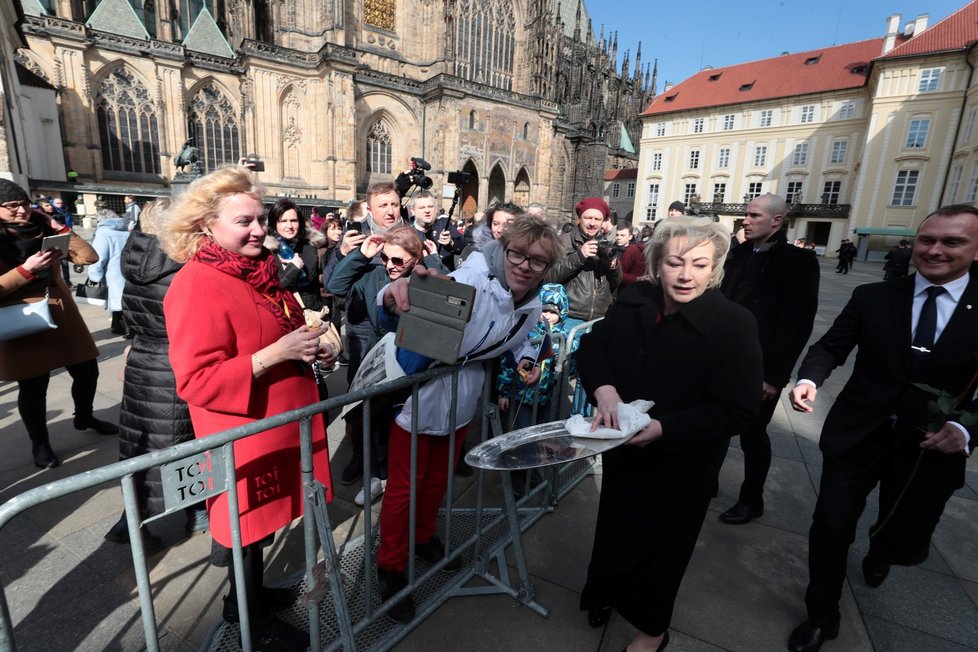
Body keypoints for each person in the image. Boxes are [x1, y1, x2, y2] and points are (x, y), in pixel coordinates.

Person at [786, 204, 978, 652]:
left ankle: (882, 550)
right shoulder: (875, 296)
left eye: (953, 242)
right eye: (928, 240)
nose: (935, 250)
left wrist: (967, 430)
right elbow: (831, 346)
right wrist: (809, 379)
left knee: (902, 535)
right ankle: (822, 615)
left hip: (930, 445)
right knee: (831, 525)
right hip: (860, 433)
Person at [161, 166, 336, 649]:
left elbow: (289, 329)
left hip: (279, 427)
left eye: (261, 218)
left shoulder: (261, 272)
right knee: (244, 527)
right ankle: (247, 619)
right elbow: (195, 381)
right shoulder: (195, 284)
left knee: (259, 528)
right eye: (245, 222)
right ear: (206, 227)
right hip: (242, 433)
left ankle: (248, 598)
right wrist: (273, 356)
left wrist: (316, 348)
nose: (260, 229)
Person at [578, 217, 762, 652]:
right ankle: (604, 593)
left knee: (663, 549)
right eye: (676, 263)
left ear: (714, 268)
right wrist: (602, 388)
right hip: (624, 448)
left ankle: (652, 631)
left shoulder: (734, 323)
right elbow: (594, 347)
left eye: (699, 265)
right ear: (657, 264)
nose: (685, 275)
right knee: (614, 530)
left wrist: (665, 428)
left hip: (683, 461)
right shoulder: (635, 299)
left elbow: (738, 409)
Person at [374, 214, 560, 623]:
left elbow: (525, 335)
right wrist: (397, 289)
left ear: (548, 267)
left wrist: (528, 357)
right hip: (418, 397)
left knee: (439, 478)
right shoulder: (473, 279)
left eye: (538, 261)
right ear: (503, 248)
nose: (525, 266)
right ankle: (389, 564)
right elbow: (410, 302)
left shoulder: (528, 299)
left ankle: (422, 537)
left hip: (462, 398)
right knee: (405, 487)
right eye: (517, 253)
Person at [105, 199, 208, 546]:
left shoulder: (134, 260)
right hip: (175, 362)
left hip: (143, 362)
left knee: (141, 441)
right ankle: (194, 514)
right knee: (183, 441)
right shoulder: (183, 264)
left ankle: (130, 519)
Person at [0, 178, 117, 469]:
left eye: (24, 204)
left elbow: (89, 256)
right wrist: (26, 270)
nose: (20, 211)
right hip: (23, 320)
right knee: (34, 387)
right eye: (11, 206)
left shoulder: (43, 230)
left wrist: (55, 225)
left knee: (88, 370)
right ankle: (40, 444)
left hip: (62, 316)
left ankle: (84, 416)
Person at [718, 193, 820, 525]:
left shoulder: (798, 262)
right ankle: (706, 483)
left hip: (760, 366)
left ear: (777, 220)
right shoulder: (738, 254)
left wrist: (774, 377)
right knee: (713, 426)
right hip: (723, 361)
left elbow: (797, 325)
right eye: (745, 214)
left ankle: (751, 499)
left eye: (753, 215)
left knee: (752, 434)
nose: (745, 220)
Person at [327, 225, 445, 504]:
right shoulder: (375, 273)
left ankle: (404, 480)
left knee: (406, 425)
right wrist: (362, 255)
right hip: (380, 358)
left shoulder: (424, 277)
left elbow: (447, 298)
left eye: (397, 260)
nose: (390, 265)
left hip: (416, 362)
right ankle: (380, 477)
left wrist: (434, 261)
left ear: (415, 258)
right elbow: (335, 286)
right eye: (385, 258)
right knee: (375, 423)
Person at [497, 283, 571, 430]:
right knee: (520, 433)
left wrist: (568, 356)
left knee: (540, 435)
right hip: (521, 397)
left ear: (562, 313)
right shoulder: (526, 332)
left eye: (553, 312)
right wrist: (503, 393)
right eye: (544, 311)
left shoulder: (563, 336)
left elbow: (570, 366)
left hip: (547, 398)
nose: (548, 316)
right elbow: (506, 365)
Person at [265, 198, 327, 314]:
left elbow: (316, 285)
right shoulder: (267, 251)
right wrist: (293, 269)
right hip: (284, 316)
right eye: (283, 221)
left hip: (312, 314)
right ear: (274, 224)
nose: (289, 226)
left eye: (293, 220)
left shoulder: (310, 246)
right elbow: (271, 289)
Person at [87, 209, 132, 336]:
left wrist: (94, 276)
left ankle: (124, 328)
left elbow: (97, 257)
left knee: (116, 301)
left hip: (112, 274)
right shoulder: (126, 231)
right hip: (127, 272)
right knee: (124, 300)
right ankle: (118, 326)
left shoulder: (103, 232)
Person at [411, 190, 464, 269]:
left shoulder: (444, 224)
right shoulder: (408, 230)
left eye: (430, 207)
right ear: (413, 211)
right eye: (422, 208)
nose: (427, 211)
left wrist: (451, 243)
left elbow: (463, 245)